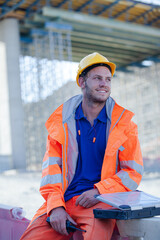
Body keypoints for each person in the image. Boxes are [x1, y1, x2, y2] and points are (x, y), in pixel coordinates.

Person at [20, 52, 143, 240]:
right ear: (82, 82)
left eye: (108, 79)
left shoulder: (125, 125)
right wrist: (55, 207)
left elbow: (132, 172)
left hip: (101, 201)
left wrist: (100, 191)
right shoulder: (60, 123)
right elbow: (51, 172)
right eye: (97, 78)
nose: (104, 84)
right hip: (64, 200)